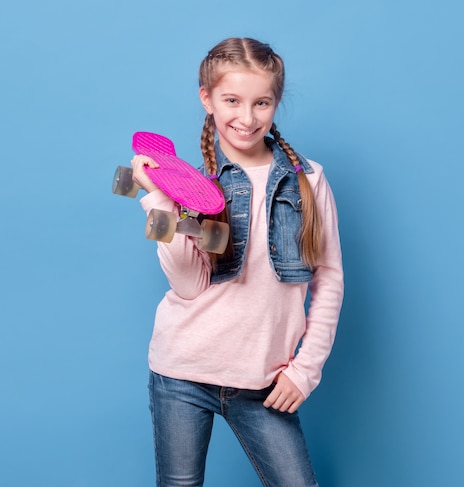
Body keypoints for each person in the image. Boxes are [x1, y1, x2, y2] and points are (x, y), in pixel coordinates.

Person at [130, 37, 344, 487]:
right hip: (182, 372)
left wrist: (306, 372)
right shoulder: (196, 186)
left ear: (276, 103)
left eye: (261, 102)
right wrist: (159, 200)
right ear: (207, 99)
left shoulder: (309, 180)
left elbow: (329, 279)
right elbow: (188, 285)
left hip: (263, 381)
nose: (246, 118)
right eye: (232, 100)